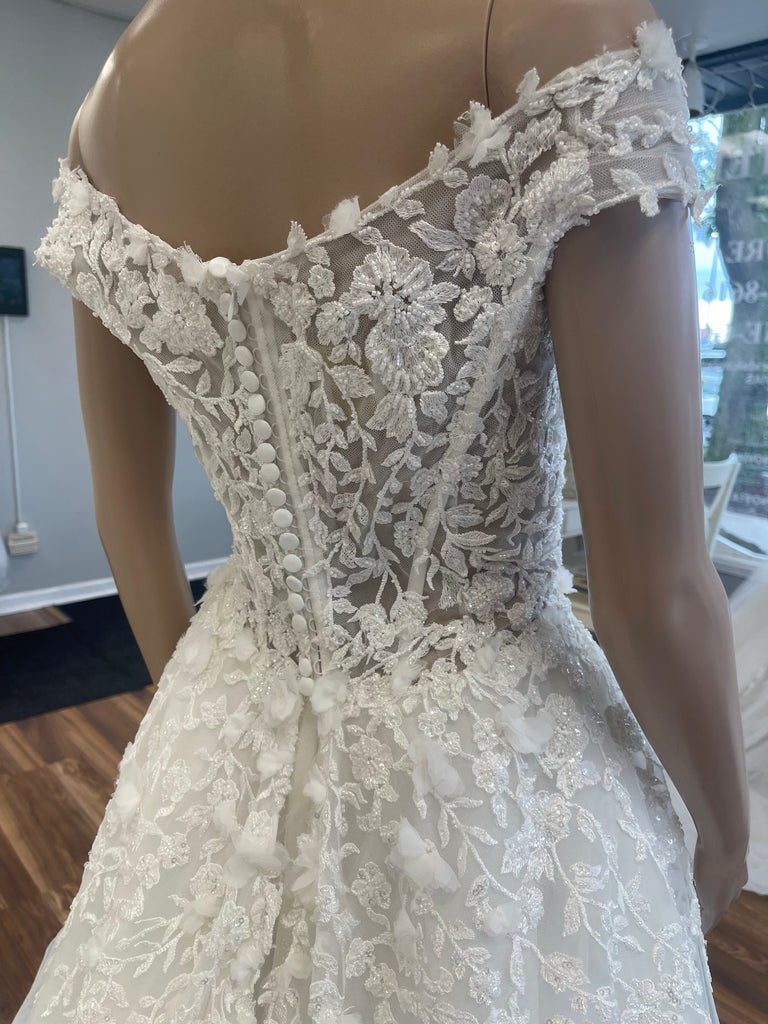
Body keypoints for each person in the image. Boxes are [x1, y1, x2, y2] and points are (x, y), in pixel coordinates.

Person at [18, 0, 748, 1020]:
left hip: (228, 698)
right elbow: (653, 590)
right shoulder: (561, 26)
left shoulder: (106, 111)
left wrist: (210, 739)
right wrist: (724, 832)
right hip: (495, 748)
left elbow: (127, 518)